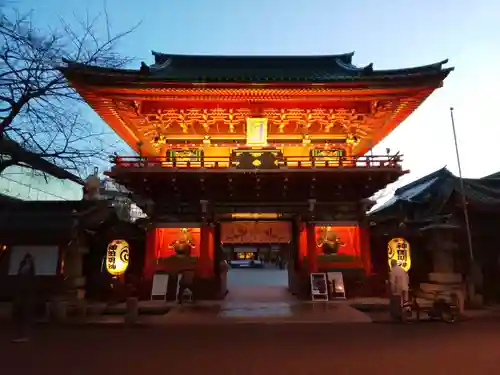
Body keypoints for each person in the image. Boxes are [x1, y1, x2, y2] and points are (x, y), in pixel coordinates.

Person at [13, 253, 36, 343]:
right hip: (24, 294)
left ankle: (24, 335)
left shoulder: (28, 270)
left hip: (26, 295)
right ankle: (23, 335)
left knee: (25, 315)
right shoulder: (26, 269)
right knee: (23, 315)